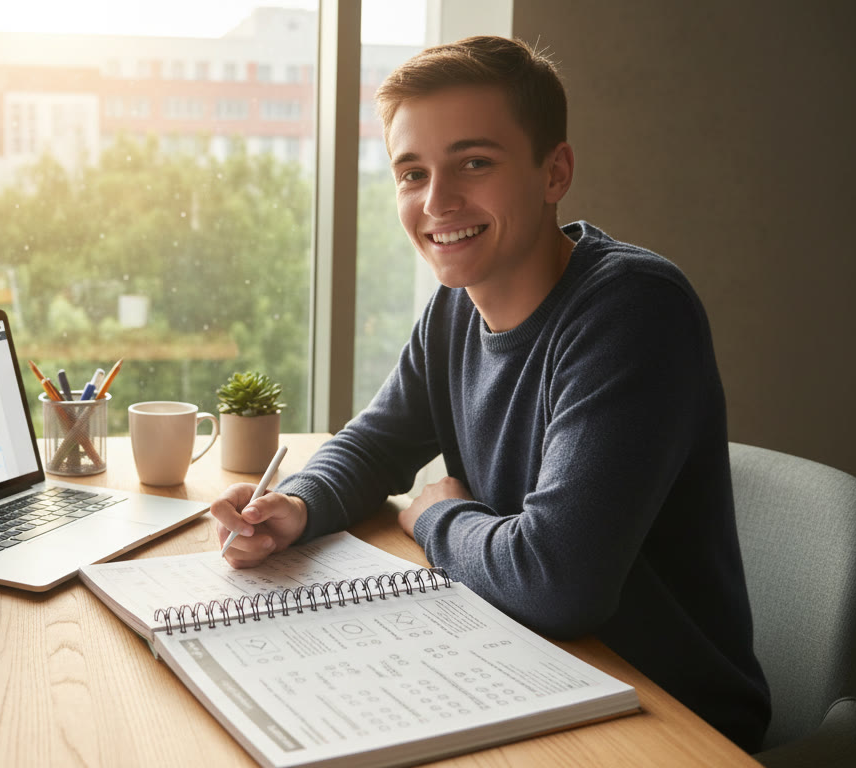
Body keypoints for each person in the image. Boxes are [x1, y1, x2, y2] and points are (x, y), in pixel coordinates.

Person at [208, 36, 770, 751]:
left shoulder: (631, 310)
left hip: (667, 718)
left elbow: (558, 583)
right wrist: (296, 504)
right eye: (413, 173)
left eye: (474, 163)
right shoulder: (455, 309)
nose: (437, 202)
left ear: (553, 171)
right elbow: (377, 444)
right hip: (533, 670)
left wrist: (440, 518)